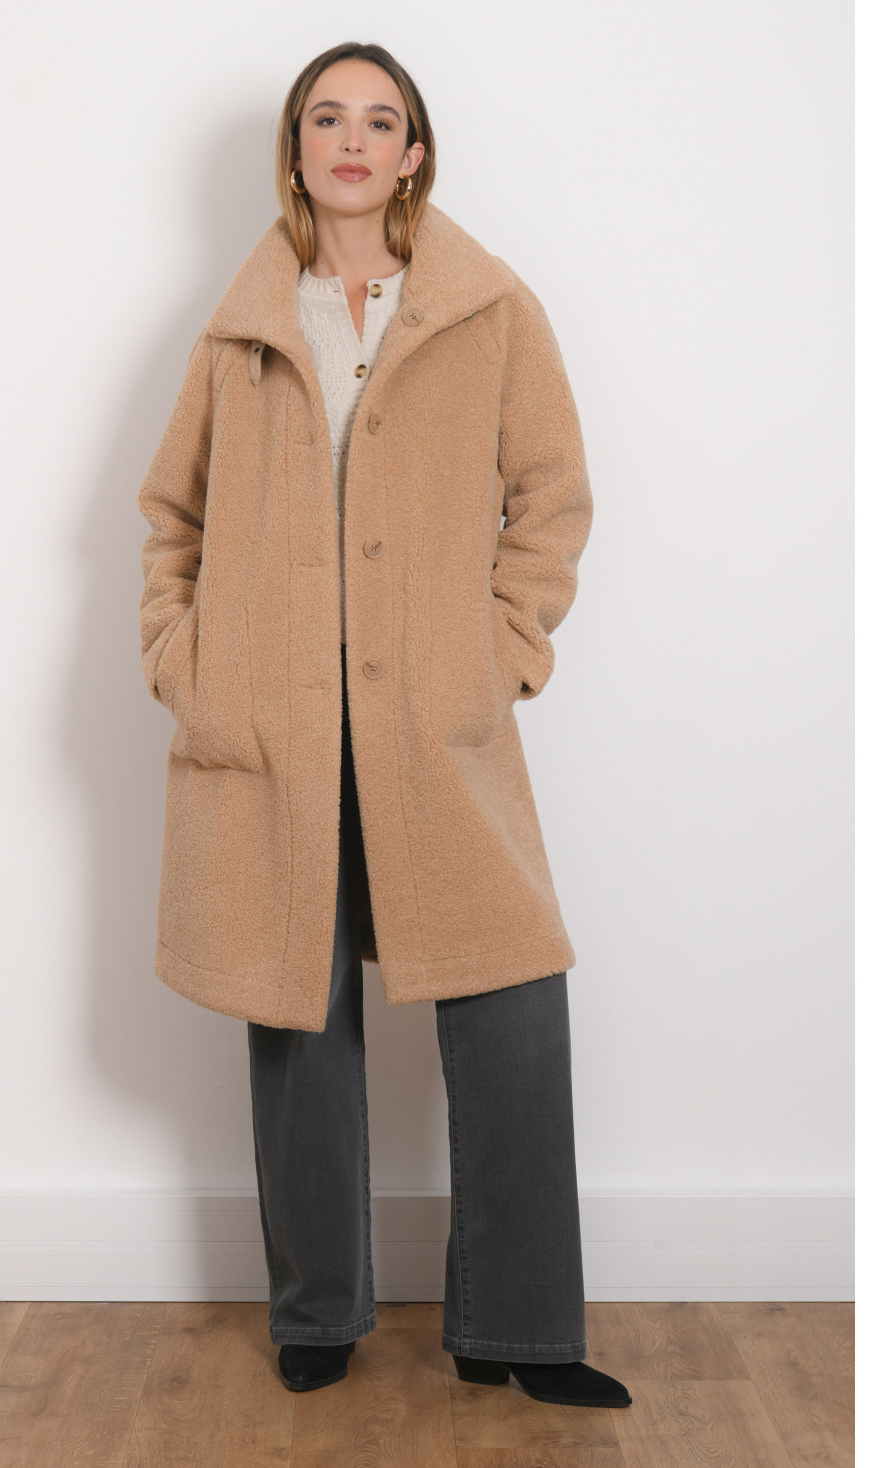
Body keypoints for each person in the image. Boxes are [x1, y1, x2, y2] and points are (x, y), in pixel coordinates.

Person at [135, 41, 631, 1409]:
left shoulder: (489, 312)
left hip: (432, 717)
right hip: (275, 718)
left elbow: (553, 497)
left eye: (379, 120)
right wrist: (187, 660)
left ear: (415, 155)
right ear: (296, 149)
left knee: (510, 998)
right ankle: (318, 1313)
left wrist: (501, 651)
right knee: (298, 1013)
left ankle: (521, 1328)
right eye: (326, 118)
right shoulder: (242, 328)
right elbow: (171, 514)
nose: (351, 140)